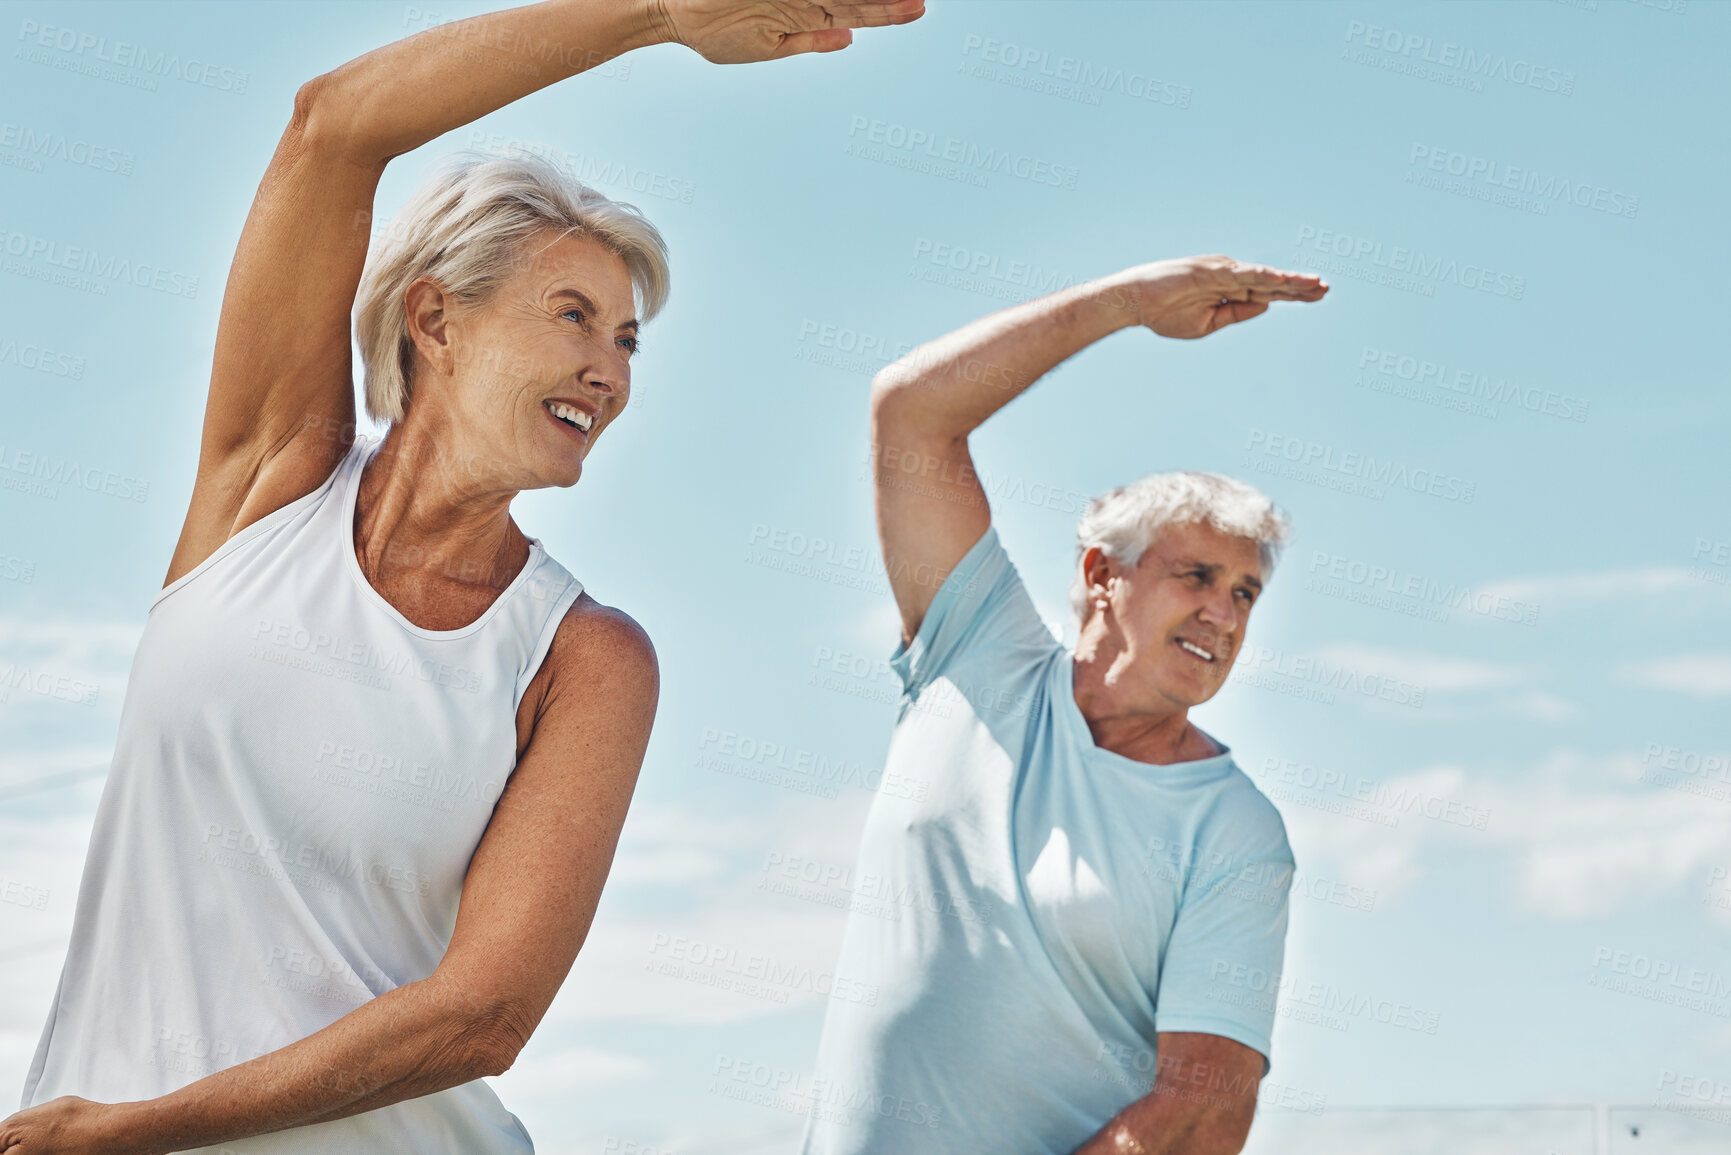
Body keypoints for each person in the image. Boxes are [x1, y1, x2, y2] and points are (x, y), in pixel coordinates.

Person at [2, 1, 924, 1152]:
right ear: (437, 318)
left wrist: (130, 1130)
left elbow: (481, 1017)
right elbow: (332, 128)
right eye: (574, 316)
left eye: (628, 341)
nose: (608, 368)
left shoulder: (583, 658)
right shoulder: (265, 484)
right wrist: (656, 15)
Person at [800, 256, 1329, 1155]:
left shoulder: (1233, 828)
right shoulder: (978, 655)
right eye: (1196, 574)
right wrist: (1125, 303)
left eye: (1244, 591)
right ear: (1099, 574)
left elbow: (1200, 1114)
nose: (1222, 611)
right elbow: (911, 413)